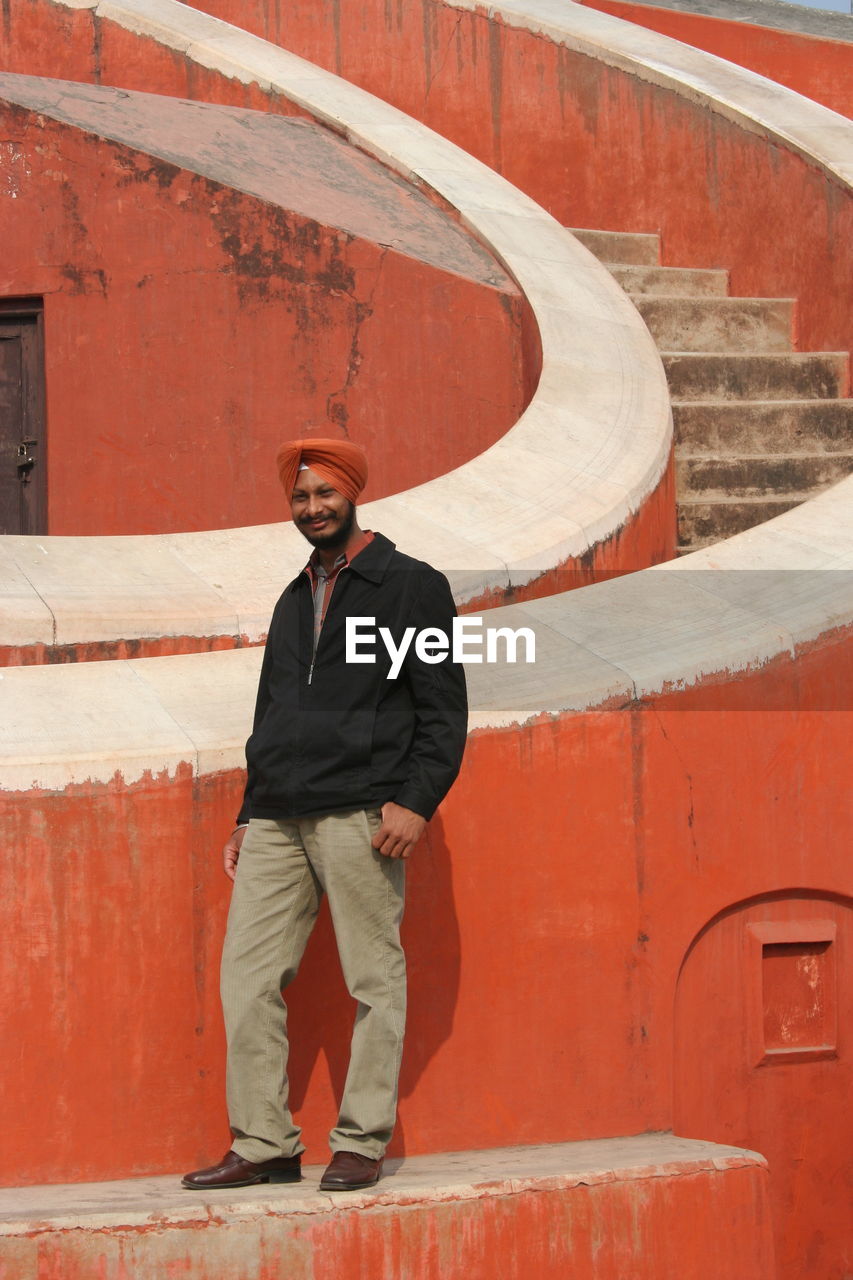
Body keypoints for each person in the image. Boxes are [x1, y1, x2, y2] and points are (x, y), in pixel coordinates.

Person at [182, 438, 467, 1193]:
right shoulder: (291, 594)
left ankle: (361, 1140)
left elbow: (442, 707)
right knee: (246, 978)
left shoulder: (408, 587)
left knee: (373, 979)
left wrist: (415, 799)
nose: (312, 509)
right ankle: (264, 1142)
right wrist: (250, 806)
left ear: (351, 494)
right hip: (278, 814)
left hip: (362, 813)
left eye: (324, 495)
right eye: (301, 498)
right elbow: (271, 707)